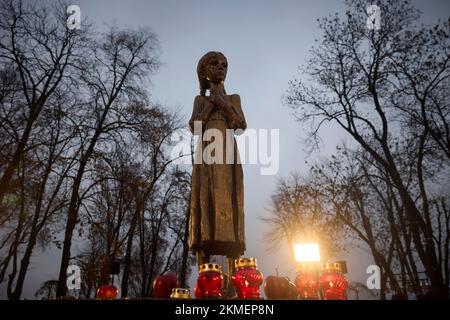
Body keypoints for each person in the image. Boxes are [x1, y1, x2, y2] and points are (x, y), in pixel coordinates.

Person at [188, 51, 247, 292]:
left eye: (224, 64)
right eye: (215, 64)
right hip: (207, 156)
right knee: (205, 201)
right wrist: (210, 105)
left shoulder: (234, 97)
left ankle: (236, 284)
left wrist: (223, 103)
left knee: (231, 203)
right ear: (204, 71)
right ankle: (204, 280)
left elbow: (241, 125)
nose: (221, 68)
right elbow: (195, 126)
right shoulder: (200, 100)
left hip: (229, 155)